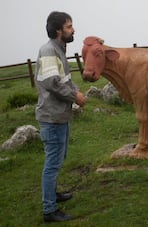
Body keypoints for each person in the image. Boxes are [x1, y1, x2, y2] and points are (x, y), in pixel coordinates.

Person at [35, 11, 87, 222]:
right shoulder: (49, 50)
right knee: (52, 163)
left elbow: (64, 79)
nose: (73, 29)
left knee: (58, 158)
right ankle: (49, 210)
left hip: (59, 116)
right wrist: (75, 96)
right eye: (69, 26)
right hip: (52, 117)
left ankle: (53, 195)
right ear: (58, 30)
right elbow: (52, 83)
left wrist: (76, 92)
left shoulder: (59, 50)